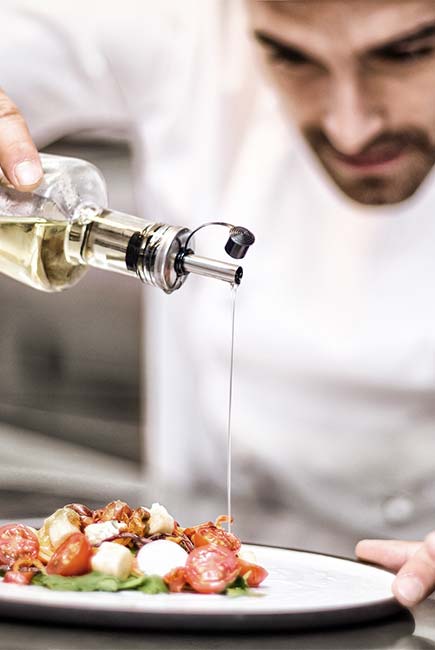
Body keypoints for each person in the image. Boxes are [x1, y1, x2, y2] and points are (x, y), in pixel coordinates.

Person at [1, 0, 435, 608]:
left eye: (408, 50)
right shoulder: (183, 21)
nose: (350, 125)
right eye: (291, 56)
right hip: (181, 607)